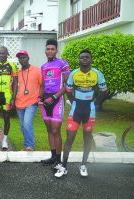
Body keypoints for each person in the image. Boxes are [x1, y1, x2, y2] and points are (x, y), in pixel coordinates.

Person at [55, 49, 107, 178]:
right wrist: (73, 102)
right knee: (70, 138)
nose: (84, 59)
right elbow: (68, 90)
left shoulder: (97, 74)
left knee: (87, 139)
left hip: (90, 109)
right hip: (76, 109)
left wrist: (95, 103)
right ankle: (64, 167)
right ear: (79, 59)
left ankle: (83, 165)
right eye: (82, 57)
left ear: (91, 59)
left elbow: (104, 91)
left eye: (87, 57)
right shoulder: (74, 74)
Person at [40, 39, 70, 167]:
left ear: (56, 50)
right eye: (48, 49)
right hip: (45, 100)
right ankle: (52, 157)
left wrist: (54, 97)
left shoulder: (63, 64)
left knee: (55, 130)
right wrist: (39, 98)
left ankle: (59, 159)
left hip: (56, 99)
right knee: (49, 129)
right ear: (45, 51)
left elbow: (67, 85)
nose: (50, 51)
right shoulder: (43, 66)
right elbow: (42, 85)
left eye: (52, 49)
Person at [0, 46, 18, 150]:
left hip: (7, 96)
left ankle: (5, 139)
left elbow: (15, 83)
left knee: (6, 118)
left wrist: (13, 97)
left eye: (3, 53)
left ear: (7, 54)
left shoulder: (12, 66)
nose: (1, 55)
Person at [15, 50, 43, 151]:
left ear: (28, 58)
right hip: (19, 102)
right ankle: (27, 144)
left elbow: (42, 85)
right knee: (23, 126)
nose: (22, 59)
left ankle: (30, 145)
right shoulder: (17, 72)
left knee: (27, 123)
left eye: (24, 57)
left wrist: (39, 98)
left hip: (32, 102)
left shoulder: (37, 70)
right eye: (20, 58)